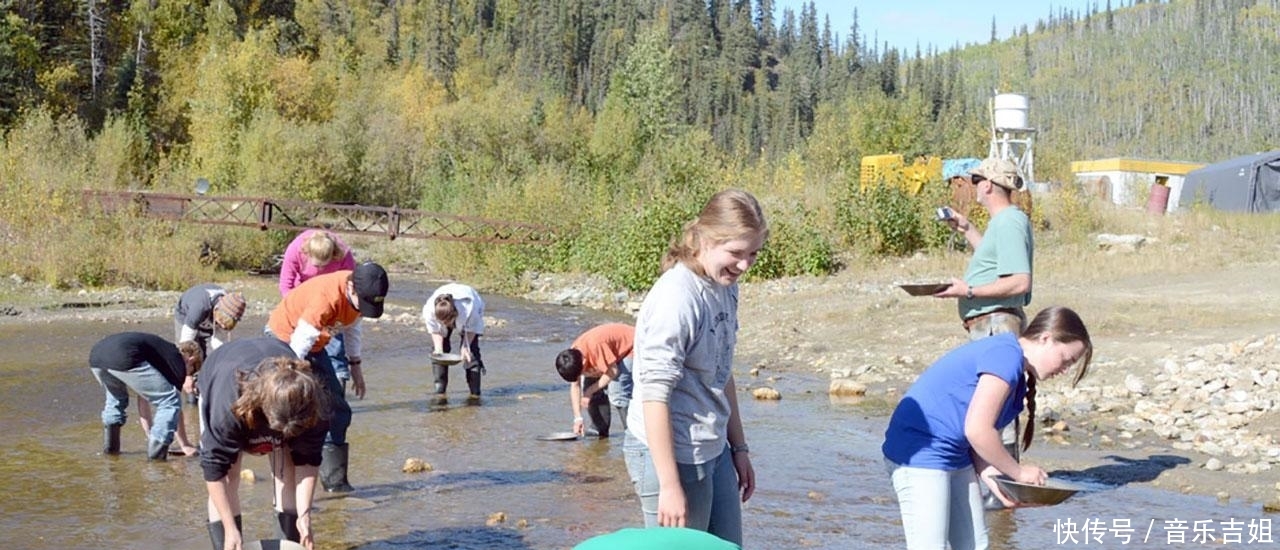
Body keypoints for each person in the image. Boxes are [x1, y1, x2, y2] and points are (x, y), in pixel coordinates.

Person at [882, 306, 1093, 550]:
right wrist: (1018, 472)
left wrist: (995, 480)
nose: (1065, 369)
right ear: (1046, 338)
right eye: (1066, 360)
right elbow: (978, 430)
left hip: (956, 454)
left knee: (974, 544)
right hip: (919, 452)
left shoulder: (1016, 373)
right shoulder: (1005, 356)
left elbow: (974, 438)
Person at [624, 189, 764, 546]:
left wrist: (740, 448)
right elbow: (654, 395)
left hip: (713, 448)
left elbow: (721, 371)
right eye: (735, 253)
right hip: (669, 456)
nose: (745, 265)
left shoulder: (724, 285)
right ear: (703, 239)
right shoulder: (677, 298)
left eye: (753, 253)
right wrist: (669, 485)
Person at [934, 156, 1035, 500]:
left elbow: (1019, 281)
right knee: (992, 409)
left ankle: (1001, 495)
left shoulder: (1008, 222)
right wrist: (965, 229)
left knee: (995, 412)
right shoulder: (1004, 223)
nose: (974, 187)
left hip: (996, 323)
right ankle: (998, 493)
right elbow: (995, 263)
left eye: (976, 181)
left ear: (988, 185)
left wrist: (969, 291)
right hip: (991, 322)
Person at [267, 261, 389, 492]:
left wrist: (356, 367)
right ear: (351, 288)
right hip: (285, 340)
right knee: (294, 409)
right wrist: (291, 377)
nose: (362, 309)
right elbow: (300, 343)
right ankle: (289, 482)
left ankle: (336, 484)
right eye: (362, 304)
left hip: (314, 345)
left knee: (338, 409)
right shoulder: (326, 298)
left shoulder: (358, 292)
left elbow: (352, 327)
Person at [199, 337, 329, 550]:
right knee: (230, 476)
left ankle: (290, 539)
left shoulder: (314, 405)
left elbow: (308, 460)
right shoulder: (227, 406)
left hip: (280, 383)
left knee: (287, 469)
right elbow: (214, 470)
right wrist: (230, 528)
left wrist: (305, 515)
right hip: (223, 372)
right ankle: (228, 543)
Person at [88, 332, 204, 459]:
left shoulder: (160, 354)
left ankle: (111, 452)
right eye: (192, 371)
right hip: (123, 355)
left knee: (116, 399)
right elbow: (174, 405)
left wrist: (150, 434)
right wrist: (185, 444)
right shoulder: (176, 361)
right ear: (190, 360)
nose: (188, 375)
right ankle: (156, 460)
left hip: (97, 356)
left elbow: (143, 398)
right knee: (169, 401)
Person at [279, 230, 358, 389]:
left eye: (326, 265)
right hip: (303, 300)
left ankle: (338, 385)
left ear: (334, 255)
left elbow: (353, 288)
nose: (321, 269)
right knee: (301, 345)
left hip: (334, 305)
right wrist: (298, 313)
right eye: (317, 266)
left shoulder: (344, 255)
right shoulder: (295, 250)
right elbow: (285, 286)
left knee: (335, 349)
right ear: (307, 254)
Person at [555, 323, 635, 438]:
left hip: (631, 346)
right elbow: (575, 386)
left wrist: (590, 391)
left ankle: (633, 434)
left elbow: (613, 371)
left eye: (580, 373)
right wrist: (578, 418)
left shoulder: (595, 347)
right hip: (609, 352)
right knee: (590, 386)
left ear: (583, 362)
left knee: (618, 393)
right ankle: (599, 429)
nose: (580, 376)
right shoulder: (572, 358)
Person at [422, 283, 486, 401]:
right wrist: (438, 349)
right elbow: (435, 331)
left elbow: (472, 328)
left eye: (447, 322)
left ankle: (475, 394)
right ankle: (440, 391)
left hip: (469, 309)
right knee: (439, 352)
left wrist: (465, 346)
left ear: (454, 316)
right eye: (442, 322)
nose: (445, 325)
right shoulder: (429, 311)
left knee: (470, 353)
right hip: (445, 305)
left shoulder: (469, 309)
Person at [175, 284, 247, 358]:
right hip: (185, 315)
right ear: (217, 310)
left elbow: (219, 343)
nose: (222, 326)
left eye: (226, 326)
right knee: (188, 354)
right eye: (221, 321)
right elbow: (185, 341)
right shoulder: (199, 307)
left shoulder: (226, 313)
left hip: (208, 315)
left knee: (212, 354)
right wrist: (188, 356)